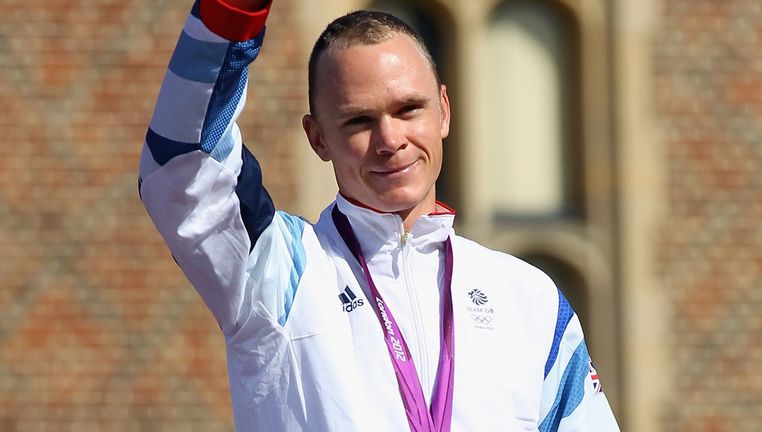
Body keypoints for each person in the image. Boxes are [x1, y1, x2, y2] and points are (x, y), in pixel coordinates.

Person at [139, 0, 621, 430]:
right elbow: (183, 163)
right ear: (318, 137)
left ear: (444, 112)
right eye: (359, 121)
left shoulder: (528, 299)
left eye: (409, 109)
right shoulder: (278, 271)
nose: (390, 141)